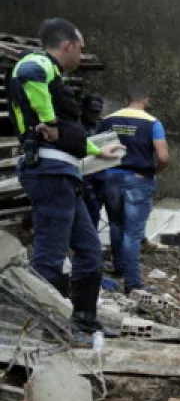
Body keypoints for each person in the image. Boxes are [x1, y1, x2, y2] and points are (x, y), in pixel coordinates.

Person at [9, 18, 123, 339]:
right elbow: (29, 76)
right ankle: (40, 328)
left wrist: (97, 152)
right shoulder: (37, 63)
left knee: (89, 252)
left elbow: (68, 136)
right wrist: (47, 119)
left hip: (64, 175)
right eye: (81, 48)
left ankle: (84, 322)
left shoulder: (54, 77)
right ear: (68, 45)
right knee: (50, 255)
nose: (82, 55)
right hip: (49, 172)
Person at [96, 86, 169, 294]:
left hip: (110, 178)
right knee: (133, 233)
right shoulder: (153, 123)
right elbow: (163, 157)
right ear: (145, 99)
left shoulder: (107, 120)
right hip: (138, 179)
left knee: (116, 224)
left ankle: (119, 267)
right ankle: (132, 282)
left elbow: (96, 150)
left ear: (125, 99)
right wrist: (153, 171)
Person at [79, 94, 107, 229]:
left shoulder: (103, 125)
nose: (93, 115)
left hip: (99, 175)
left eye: (96, 112)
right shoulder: (76, 125)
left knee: (94, 212)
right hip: (81, 175)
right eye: (91, 111)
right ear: (83, 109)